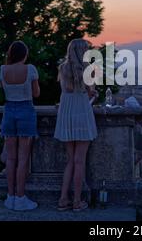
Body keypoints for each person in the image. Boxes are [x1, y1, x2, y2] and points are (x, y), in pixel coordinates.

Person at [54, 38, 98, 212]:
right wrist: (94, 95)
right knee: (80, 161)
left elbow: (66, 90)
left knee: (70, 161)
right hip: (81, 114)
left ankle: (63, 199)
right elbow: (89, 95)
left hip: (66, 114)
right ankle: (77, 202)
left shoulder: (63, 68)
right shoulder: (88, 70)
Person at [0, 41, 40, 211]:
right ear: (24, 54)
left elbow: (2, 90)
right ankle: (20, 198)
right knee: (23, 159)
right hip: (26, 111)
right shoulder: (30, 69)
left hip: (9, 111)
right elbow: (36, 93)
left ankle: (10, 197)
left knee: (10, 158)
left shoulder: (2, 70)